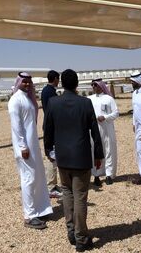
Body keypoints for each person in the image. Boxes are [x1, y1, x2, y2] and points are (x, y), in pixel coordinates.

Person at [44, 69, 104, 252]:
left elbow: (47, 129)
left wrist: (48, 150)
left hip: (62, 158)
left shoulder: (54, 103)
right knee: (80, 197)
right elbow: (95, 130)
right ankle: (81, 238)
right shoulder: (85, 103)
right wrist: (99, 155)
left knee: (67, 194)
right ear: (77, 83)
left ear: (61, 83)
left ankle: (71, 232)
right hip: (81, 158)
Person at [8, 72, 53, 230]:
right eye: (24, 82)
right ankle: (29, 216)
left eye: (29, 82)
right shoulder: (15, 100)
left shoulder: (27, 98)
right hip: (25, 148)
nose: (27, 84)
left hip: (32, 145)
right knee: (29, 179)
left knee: (38, 176)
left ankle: (40, 209)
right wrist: (22, 146)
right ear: (19, 82)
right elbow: (16, 125)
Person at [89, 79, 119, 186]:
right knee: (95, 151)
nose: (93, 87)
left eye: (95, 85)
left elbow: (116, 113)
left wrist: (105, 117)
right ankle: (96, 175)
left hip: (107, 128)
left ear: (101, 86)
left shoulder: (109, 99)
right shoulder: (89, 99)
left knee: (108, 150)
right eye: (92, 85)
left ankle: (109, 174)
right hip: (93, 129)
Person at [40, 70, 62, 198]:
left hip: (50, 125)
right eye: (58, 79)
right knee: (52, 156)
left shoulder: (47, 91)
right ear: (54, 79)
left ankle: (53, 184)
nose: (58, 81)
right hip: (51, 127)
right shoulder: (50, 92)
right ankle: (51, 186)